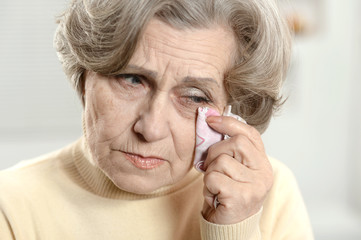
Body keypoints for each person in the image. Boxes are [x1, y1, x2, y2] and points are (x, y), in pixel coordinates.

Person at [0, 0, 314, 239]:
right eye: (132, 79)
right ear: (84, 75)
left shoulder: (267, 195)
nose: (150, 129)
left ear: (228, 109)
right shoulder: (11, 206)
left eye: (194, 97)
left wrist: (234, 228)